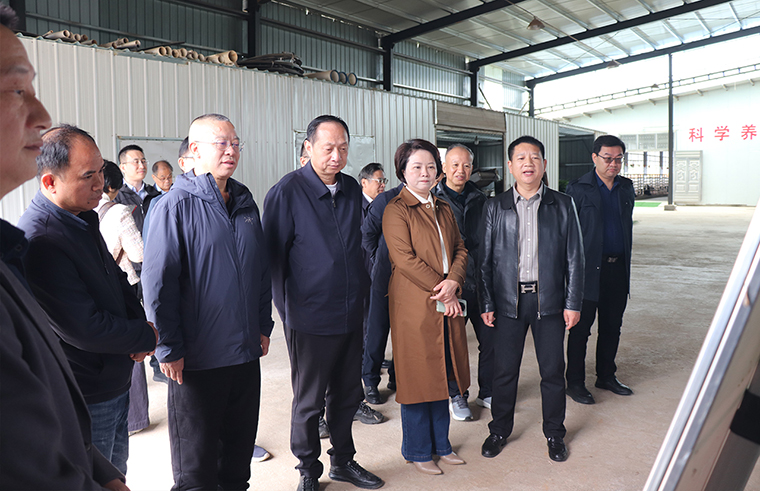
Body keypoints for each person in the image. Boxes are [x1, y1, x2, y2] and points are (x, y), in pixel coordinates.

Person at [0, 7, 128, 488]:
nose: (41, 116)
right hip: (98, 380)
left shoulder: (73, 223)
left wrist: (98, 471)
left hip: (107, 384)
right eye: (16, 90)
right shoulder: (41, 239)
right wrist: (143, 336)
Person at [142, 114, 274, 490]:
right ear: (195, 151)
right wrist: (168, 348)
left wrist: (262, 325)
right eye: (221, 143)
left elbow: (260, 271)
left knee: (236, 461)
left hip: (245, 355)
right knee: (196, 468)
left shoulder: (245, 203)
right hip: (198, 360)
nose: (231, 150)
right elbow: (158, 284)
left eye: (235, 143)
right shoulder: (174, 206)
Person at [17, 124, 158, 474]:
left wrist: (138, 326)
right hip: (87, 392)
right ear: (50, 182)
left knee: (116, 472)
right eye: (87, 176)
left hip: (113, 377)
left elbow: (116, 279)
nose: (100, 183)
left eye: (100, 171)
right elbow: (84, 328)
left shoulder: (82, 217)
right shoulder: (43, 240)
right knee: (97, 477)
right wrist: (144, 336)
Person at [264, 115, 384, 491]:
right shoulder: (287, 192)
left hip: (350, 313)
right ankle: (307, 470)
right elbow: (273, 262)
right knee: (309, 401)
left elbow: (362, 245)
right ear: (309, 147)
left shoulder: (349, 189)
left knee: (346, 395)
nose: (336, 156)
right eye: (328, 148)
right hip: (309, 319)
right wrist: (290, 314)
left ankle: (343, 461)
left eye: (343, 148)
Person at [478, 135, 584, 463]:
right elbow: (484, 261)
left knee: (552, 371)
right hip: (507, 303)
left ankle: (554, 433)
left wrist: (572, 303)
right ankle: (499, 430)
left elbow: (575, 258)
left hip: (548, 301)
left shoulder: (562, 204)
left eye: (535, 157)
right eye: (521, 158)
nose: (528, 163)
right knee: (504, 371)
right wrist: (487, 303)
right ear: (510, 166)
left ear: (544, 165)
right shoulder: (495, 206)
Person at [383, 139, 469, 475]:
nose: (425, 172)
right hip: (415, 304)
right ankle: (418, 450)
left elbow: (460, 248)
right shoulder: (396, 209)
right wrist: (444, 290)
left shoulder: (443, 207)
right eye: (417, 166)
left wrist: (454, 281)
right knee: (418, 376)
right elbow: (404, 259)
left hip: (445, 300)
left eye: (431, 166)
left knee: (442, 371)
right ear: (403, 172)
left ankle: (441, 445)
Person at [565, 135, 636, 404]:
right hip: (587, 271)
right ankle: (574, 382)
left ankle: (606, 375)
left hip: (617, 269)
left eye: (618, 159)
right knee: (580, 329)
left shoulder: (626, 188)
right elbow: (568, 233)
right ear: (594, 158)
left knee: (612, 326)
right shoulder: (578, 189)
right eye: (608, 158)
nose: (613, 164)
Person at [432, 143, 491, 420]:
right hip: (452, 285)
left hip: (481, 282)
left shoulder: (481, 199)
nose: (461, 170)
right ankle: (457, 394)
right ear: (444, 168)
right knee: (453, 344)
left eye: (466, 165)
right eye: (455, 164)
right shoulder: (433, 200)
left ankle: (488, 391)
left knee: (490, 340)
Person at [96, 160, 153, 433]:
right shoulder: (118, 211)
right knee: (133, 346)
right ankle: (135, 418)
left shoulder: (80, 209)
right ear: (113, 186)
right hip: (123, 284)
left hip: (96, 286)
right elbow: (139, 253)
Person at [360, 179, 404, 404]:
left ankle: (398, 377)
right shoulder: (385, 200)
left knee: (404, 332)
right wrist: (378, 258)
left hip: (411, 281)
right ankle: (370, 381)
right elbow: (367, 233)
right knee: (377, 330)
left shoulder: (428, 202)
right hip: (384, 277)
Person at [114, 144, 160, 233]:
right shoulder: (116, 196)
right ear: (123, 167)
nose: (142, 166)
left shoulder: (154, 194)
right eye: (136, 162)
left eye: (143, 161)